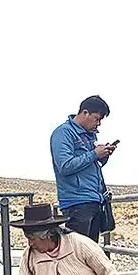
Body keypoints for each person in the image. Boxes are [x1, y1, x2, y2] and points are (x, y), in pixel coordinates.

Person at [49, 95, 117, 242]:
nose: (98, 124)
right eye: (97, 118)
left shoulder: (88, 136)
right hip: (77, 203)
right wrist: (94, 154)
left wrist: (101, 156)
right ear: (85, 113)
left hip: (93, 200)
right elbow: (65, 166)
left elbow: (88, 166)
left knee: (89, 255)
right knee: (77, 256)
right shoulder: (63, 133)